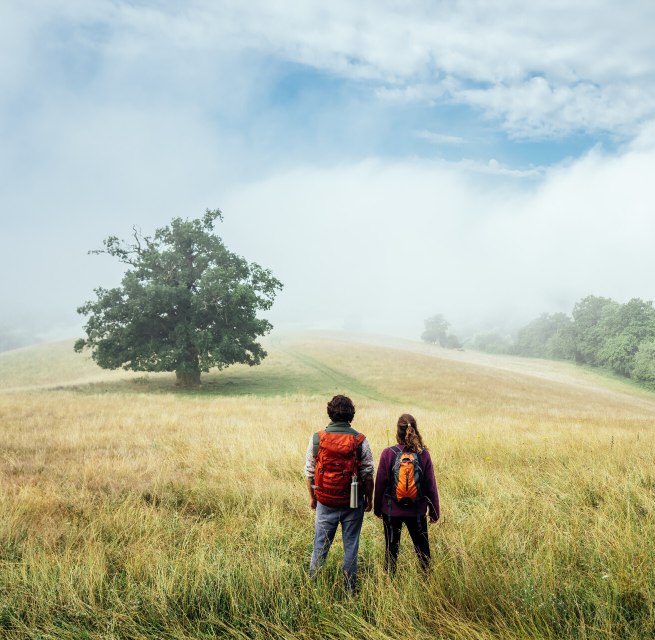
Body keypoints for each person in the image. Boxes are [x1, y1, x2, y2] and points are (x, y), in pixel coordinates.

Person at [305, 395, 374, 593]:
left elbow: (309, 472)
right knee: (351, 546)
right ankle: (350, 589)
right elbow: (368, 473)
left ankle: (313, 588)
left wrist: (313, 497)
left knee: (320, 545)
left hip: (325, 501)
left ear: (330, 413)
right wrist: (368, 499)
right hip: (353, 502)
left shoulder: (317, 438)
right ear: (351, 414)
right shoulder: (360, 440)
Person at [374, 413, 439, 574]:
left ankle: (389, 584)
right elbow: (430, 485)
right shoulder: (423, 454)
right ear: (415, 430)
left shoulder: (388, 453)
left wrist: (377, 509)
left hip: (390, 511)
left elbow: (380, 484)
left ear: (397, 431)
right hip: (416, 512)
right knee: (423, 552)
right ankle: (426, 583)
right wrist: (434, 511)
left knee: (391, 551)